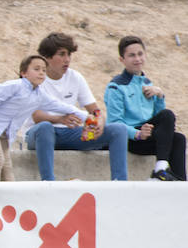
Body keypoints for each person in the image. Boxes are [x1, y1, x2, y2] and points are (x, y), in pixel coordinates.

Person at [22, 32, 129, 181]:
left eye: (69, 54)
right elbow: (37, 116)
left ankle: (120, 183)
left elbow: (95, 110)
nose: (67, 60)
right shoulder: (37, 77)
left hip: (71, 133)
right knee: (45, 127)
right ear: (47, 57)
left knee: (118, 129)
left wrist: (99, 122)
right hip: (41, 134)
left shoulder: (75, 77)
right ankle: (48, 183)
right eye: (62, 54)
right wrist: (60, 119)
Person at [0, 54, 83, 179]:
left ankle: (10, 195)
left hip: (6, 133)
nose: (41, 73)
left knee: (8, 165)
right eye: (36, 69)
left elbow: (60, 106)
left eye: (44, 70)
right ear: (24, 73)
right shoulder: (14, 85)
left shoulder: (39, 94)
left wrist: (86, 116)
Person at [104, 35, 186, 181]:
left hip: (148, 134)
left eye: (140, 54)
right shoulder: (116, 86)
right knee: (167, 115)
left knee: (179, 138)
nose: (137, 59)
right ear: (122, 60)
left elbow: (158, 118)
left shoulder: (148, 83)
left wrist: (160, 97)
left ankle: (180, 182)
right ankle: (160, 169)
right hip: (131, 138)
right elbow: (114, 122)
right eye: (131, 55)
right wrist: (137, 133)